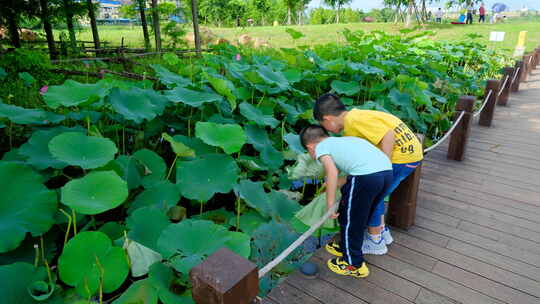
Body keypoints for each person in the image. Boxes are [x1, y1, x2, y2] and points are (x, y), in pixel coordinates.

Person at [314, 93, 423, 254]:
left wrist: (384, 164)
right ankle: (382, 232)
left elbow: (388, 135)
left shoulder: (354, 121)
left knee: (373, 197)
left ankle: (375, 242)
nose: (326, 131)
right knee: (377, 193)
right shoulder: (356, 116)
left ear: (328, 119)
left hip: (400, 158)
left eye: (323, 125)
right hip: (410, 154)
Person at [300, 125, 392, 278]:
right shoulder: (344, 141)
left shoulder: (321, 147)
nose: (312, 155)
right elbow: (359, 165)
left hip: (366, 178)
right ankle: (347, 246)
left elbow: (332, 172)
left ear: (310, 146)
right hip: (386, 173)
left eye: (309, 152)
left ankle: (353, 264)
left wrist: (330, 204)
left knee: (350, 220)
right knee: (360, 217)